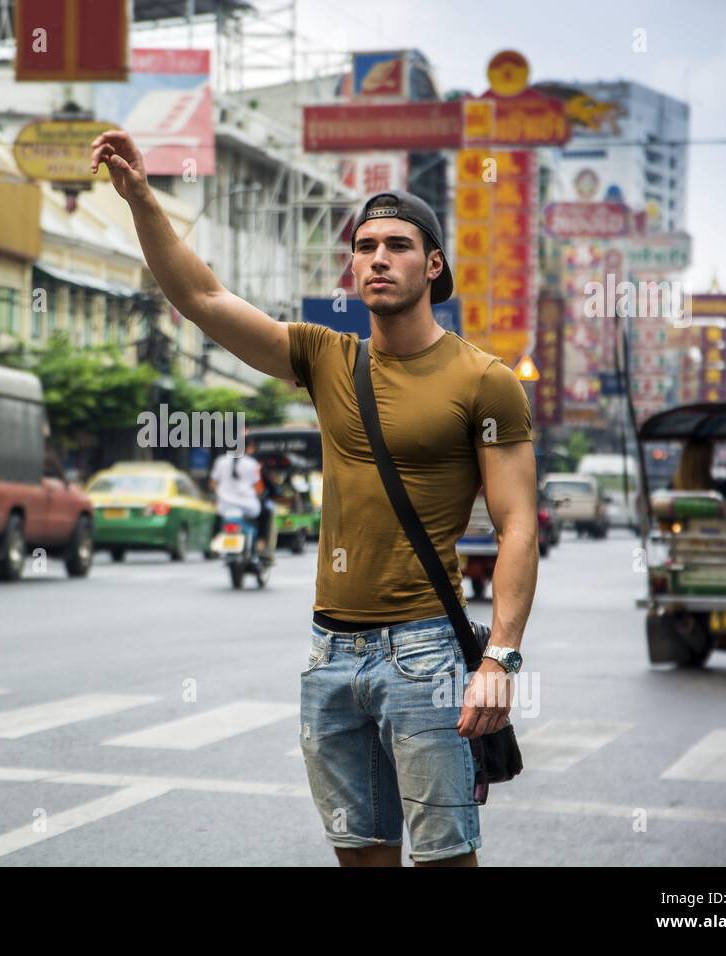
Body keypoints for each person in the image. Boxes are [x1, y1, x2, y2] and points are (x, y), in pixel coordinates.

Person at [93, 132, 537, 867]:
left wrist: (501, 660)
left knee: (444, 860)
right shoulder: (326, 356)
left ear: (433, 267)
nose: (378, 258)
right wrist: (142, 199)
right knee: (360, 858)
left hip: (425, 651)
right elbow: (201, 297)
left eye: (397, 244)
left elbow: (519, 523)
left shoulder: (484, 380)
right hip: (330, 652)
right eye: (365, 246)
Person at [208, 439, 267, 555]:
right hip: (248, 506)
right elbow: (259, 488)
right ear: (247, 448)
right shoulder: (252, 464)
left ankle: (213, 540)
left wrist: (219, 494)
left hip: (225, 506)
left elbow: (212, 484)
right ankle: (260, 542)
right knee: (266, 512)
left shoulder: (220, 461)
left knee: (216, 517)